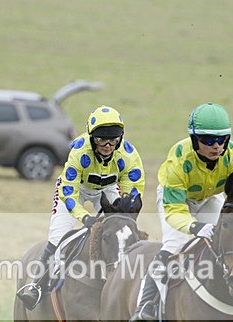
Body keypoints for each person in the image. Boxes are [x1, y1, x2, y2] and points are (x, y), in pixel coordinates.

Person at [127, 102, 233, 322]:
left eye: (222, 139)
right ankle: (145, 304)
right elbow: (176, 212)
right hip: (177, 200)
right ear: (194, 138)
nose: (216, 146)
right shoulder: (179, 160)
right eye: (207, 140)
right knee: (174, 246)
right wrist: (196, 228)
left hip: (210, 198)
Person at [16, 105, 145, 310]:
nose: (108, 144)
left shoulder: (128, 156)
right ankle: (35, 285)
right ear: (91, 137)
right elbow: (69, 194)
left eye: (113, 139)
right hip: (75, 191)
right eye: (101, 139)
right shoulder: (79, 151)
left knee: (122, 231)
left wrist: (125, 216)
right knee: (58, 238)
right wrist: (85, 218)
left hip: (108, 188)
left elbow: (132, 194)